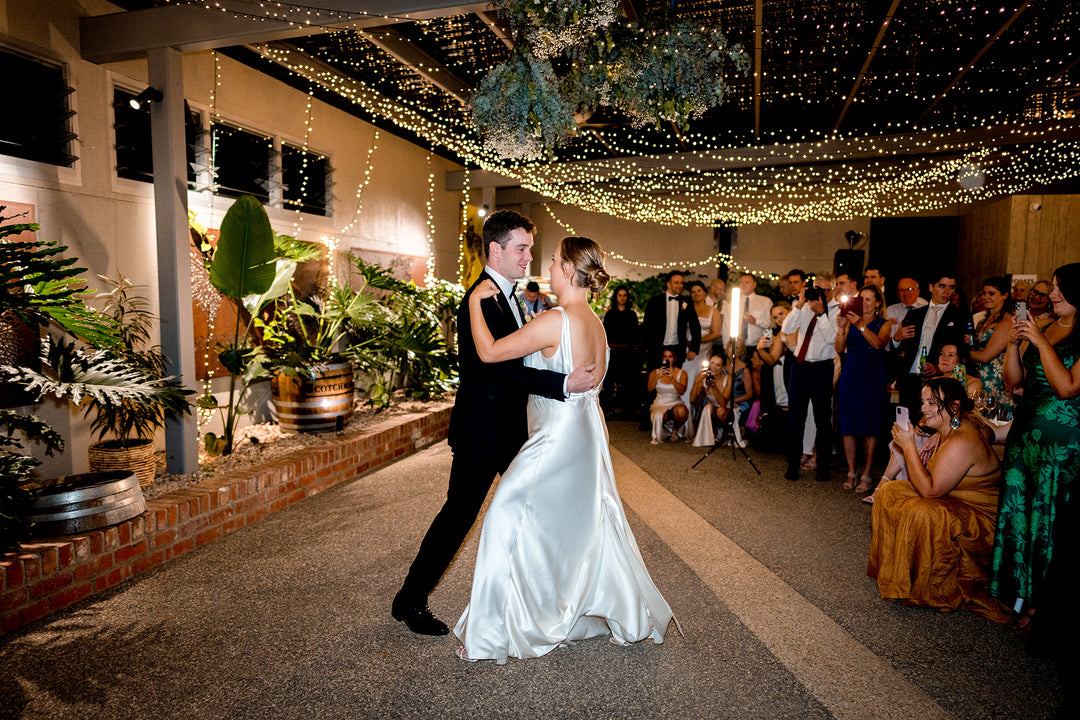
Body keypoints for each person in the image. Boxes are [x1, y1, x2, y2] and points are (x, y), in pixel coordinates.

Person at [454, 236, 674, 663]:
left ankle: (493, 633)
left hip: (554, 438)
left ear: (570, 271)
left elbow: (489, 352)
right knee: (583, 524)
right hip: (586, 433)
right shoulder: (595, 321)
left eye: (554, 261)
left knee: (505, 517)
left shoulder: (555, 319)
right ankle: (621, 614)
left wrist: (476, 303)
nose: (548, 267)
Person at [392, 210, 594, 637]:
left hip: (509, 429)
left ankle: (541, 598)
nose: (528, 258)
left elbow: (520, 354)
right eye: (521, 249)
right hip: (483, 431)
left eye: (531, 249)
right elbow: (495, 371)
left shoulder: (508, 294)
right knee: (459, 515)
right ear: (496, 249)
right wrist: (561, 382)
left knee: (533, 506)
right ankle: (410, 599)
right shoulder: (480, 298)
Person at [867, 377, 1007, 621]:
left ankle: (930, 586)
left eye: (932, 403)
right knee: (891, 492)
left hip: (982, 522)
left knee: (924, 510)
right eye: (923, 402)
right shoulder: (948, 427)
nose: (923, 409)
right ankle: (899, 573)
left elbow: (930, 492)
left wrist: (909, 447)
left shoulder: (963, 441)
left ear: (953, 406)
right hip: (954, 501)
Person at [990, 263, 1080, 636]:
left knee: (1050, 521)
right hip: (1025, 435)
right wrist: (1013, 344)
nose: (1052, 294)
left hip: (1062, 446)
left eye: (1059, 289)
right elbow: (1015, 381)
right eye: (1053, 287)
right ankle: (1021, 594)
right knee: (1021, 514)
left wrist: (1041, 344)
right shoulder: (1043, 327)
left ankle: (1045, 603)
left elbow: (1068, 388)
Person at [835, 285, 892, 492]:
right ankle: (851, 471)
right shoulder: (850, 322)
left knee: (871, 426)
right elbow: (839, 349)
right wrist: (842, 329)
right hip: (850, 375)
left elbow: (878, 344)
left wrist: (860, 325)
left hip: (872, 377)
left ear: (878, 303)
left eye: (869, 299)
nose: (865, 303)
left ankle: (867, 472)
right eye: (862, 299)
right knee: (848, 425)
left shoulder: (884, 324)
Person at [894, 273, 972, 416]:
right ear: (931, 287)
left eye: (951, 287)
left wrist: (939, 367)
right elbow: (898, 349)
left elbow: (963, 352)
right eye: (942, 286)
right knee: (907, 425)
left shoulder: (961, 315)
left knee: (933, 425)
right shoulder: (915, 314)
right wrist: (896, 338)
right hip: (910, 379)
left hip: (938, 381)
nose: (947, 291)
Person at [781, 285, 837, 482]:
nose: (817, 292)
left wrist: (821, 313)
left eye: (823, 289)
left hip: (822, 368)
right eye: (815, 288)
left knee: (823, 420)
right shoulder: (802, 307)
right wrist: (800, 304)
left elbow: (832, 338)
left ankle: (823, 467)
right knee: (796, 418)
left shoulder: (837, 310)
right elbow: (786, 329)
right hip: (800, 366)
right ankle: (793, 465)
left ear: (830, 290)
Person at [968, 276, 1014, 418]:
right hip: (979, 379)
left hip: (995, 381)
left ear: (1005, 295)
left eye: (991, 293)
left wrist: (960, 352)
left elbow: (986, 356)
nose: (986, 297)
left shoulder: (1007, 322)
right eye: (984, 293)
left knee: (993, 424)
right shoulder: (982, 321)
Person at [681, 280, 724, 409]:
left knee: (699, 380)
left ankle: (696, 415)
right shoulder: (685, 309)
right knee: (686, 380)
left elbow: (716, 333)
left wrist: (697, 341)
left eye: (699, 291)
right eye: (693, 292)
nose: (696, 294)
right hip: (686, 349)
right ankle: (684, 412)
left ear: (704, 292)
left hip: (703, 349)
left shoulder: (713, 311)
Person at [601, 284, 640, 418]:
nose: (622, 298)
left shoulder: (632, 314)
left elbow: (635, 333)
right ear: (616, 297)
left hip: (628, 353)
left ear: (627, 298)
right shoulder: (610, 314)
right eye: (620, 295)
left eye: (625, 295)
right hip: (613, 352)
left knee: (627, 380)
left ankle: (626, 407)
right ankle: (609, 407)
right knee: (610, 380)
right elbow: (605, 332)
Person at [689, 349, 732, 446]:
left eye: (718, 365)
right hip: (713, 409)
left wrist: (714, 387)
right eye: (711, 363)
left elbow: (723, 403)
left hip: (727, 408)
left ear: (723, 368)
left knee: (720, 411)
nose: (714, 367)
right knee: (708, 408)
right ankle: (713, 433)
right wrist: (697, 381)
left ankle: (725, 433)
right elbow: (692, 400)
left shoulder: (728, 379)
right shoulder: (704, 378)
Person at [648, 348, 690, 443]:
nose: (667, 359)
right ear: (662, 358)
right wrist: (657, 376)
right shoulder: (655, 372)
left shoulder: (682, 373)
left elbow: (682, 391)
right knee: (659, 415)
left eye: (670, 356)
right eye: (665, 356)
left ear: (674, 358)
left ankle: (675, 430)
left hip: (675, 402)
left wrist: (672, 379)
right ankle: (662, 429)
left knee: (682, 412)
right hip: (660, 402)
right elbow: (649, 388)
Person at [736, 272, 773, 347]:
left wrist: (756, 321)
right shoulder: (734, 302)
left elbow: (772, 324)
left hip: (758, 346)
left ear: (754, 284)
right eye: (741, 282)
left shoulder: (765, 301)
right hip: (737, 346)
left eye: (747, 282)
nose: (743, 285)